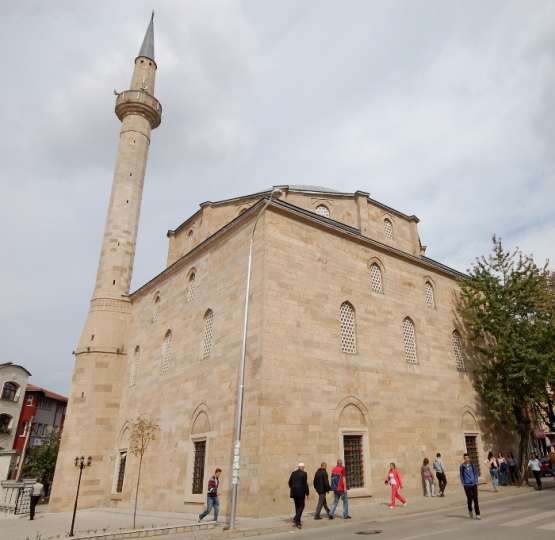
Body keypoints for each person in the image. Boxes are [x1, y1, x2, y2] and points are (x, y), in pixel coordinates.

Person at [460, 453, 481, 520]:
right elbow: (461, 475)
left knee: (475, 499)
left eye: (467, 458)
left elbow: (475, 473)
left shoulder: (472, 465)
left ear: (469, 458)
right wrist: (463, 483)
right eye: (465, 458)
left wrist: (476, 481)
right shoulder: (462, 466)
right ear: (464, 458)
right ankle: (470, 509)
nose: (466, 459)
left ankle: (477, 514)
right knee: (469, 499)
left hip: (473, 483)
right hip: (467, 484)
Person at [288, 463, 309, 528]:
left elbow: (289, 482)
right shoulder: (304, 473)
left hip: (294, 492)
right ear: (302, 467)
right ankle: (296, 518)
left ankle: (298, 522)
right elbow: (305, 484)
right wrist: (307, 493)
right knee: (302, 506)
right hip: (300, 492)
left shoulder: (293, 473)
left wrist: (293, 488)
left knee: (297, 506)